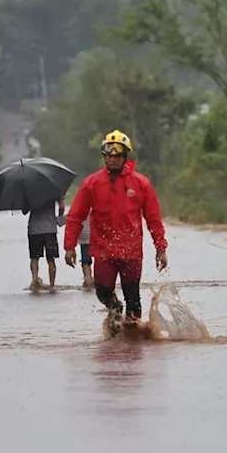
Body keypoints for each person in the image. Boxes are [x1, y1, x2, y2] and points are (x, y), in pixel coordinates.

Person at [64, 130, 167, 326]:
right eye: (109, 156)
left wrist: (160, 248)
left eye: (117, 156)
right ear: (104, 157)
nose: (113, 160)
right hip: (104, 251)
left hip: (131, 252)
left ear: (125, 156)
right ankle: (115, 310)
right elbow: (76, 216)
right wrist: (70, 246)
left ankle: (132, 341)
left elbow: (154, 219)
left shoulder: (141, 183)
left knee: (133, 299)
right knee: (102, 291)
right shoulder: (91, 184)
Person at [26, 198, 65, 293]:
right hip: (50, 229)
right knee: (51, 259)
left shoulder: (29, 192)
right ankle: (52, 285)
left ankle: (34, 279)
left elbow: (24, 211)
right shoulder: (52, 189)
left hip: (34, 229)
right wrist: (59, 215)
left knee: (34, 258)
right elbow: (62, 206)